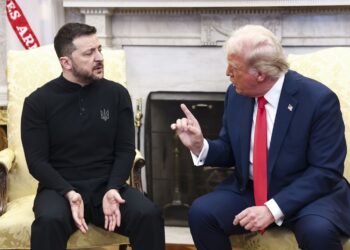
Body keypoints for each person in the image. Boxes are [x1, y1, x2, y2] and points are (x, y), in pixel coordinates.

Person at [171, 24, 350, 250]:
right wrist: (200, 146)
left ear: (260, 74)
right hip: (253, 190)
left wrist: (271, 209)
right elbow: (230, 149)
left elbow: (325, 171)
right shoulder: (236, 95)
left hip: (308, 195)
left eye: (234, 67)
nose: (228, 73)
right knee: (202, 213)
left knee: (317, 232)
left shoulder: (318, 100)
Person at [21, 22, 165, 250]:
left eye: (99, 49)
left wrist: (113, 188)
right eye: (89, 53)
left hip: (106, 184)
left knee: (148, 214)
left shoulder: (117, 94)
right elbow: (37, 162)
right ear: (66, 62)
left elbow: (125, 150)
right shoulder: (37, 102)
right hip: (60, 188)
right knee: (49, 222)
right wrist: (69, 192)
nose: (99, 57)